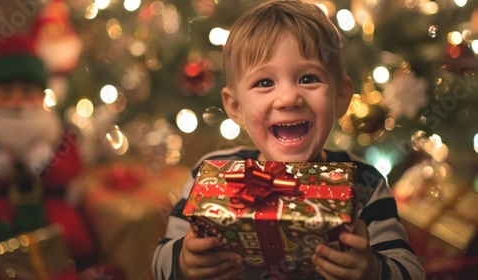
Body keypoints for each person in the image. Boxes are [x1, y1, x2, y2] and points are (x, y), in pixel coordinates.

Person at [153, 1, 425, 279]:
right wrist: (184, 263)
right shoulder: (210, 176)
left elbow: (412, 272)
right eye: (265, 83)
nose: (288, 99)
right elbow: (160, 261)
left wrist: (371, 269)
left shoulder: (366, 184)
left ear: (341, 98)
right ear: (235, 107)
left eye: (308, 78)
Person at [0, 34, 94, 279]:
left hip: (46, 203)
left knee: (69, 228)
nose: (17, 101)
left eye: (26, 92)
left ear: (41, 97)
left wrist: (48, 165)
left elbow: (73, 167)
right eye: (6, 92)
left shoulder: (55, 135)